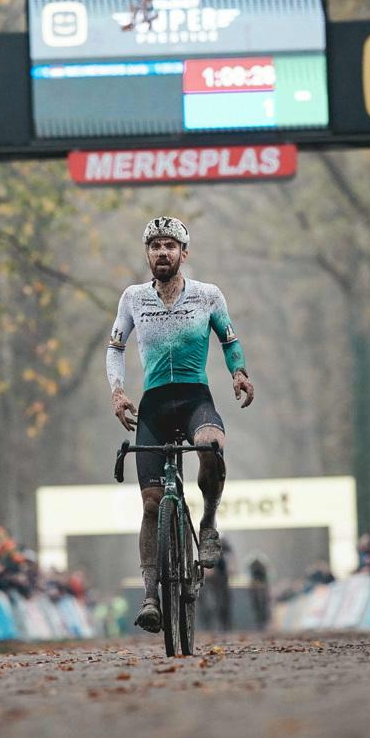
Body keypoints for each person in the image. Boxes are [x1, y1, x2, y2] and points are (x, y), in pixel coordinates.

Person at [106, 216, 255, 634]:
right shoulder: (133, 298)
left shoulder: (208, 295)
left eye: (170, 246)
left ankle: (207, 523)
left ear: (183, 254)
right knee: (152, 503)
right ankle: (151, 596)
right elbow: (114, 348)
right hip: (153, 405)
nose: (162, 253)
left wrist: (238, 372)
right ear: (147, 255)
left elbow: (229, 340)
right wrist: (118, 392)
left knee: (210, 445)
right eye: (155, 246)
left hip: (194, 398)